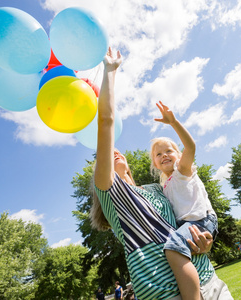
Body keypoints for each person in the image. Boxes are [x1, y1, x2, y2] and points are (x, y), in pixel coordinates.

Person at [92, 47, 233, 299]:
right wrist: (110, 71)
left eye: (117, 149)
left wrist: (206, 241)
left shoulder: (159, 188)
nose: (112, 150)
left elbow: (188, 220)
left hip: (210, 284)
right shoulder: (112, 194)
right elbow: (106, 121)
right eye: (104, 155)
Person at [150, 101, 219, 300]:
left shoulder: (182, 171)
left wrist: (173, 122)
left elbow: (191, 146)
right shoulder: (165, 186)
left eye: (169, 151)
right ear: (155, 163)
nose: (164, 155)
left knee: (172, 247)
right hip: (189, 224)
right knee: (173, 249)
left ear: (179, 155)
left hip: (201, 220)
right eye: (159, 154)